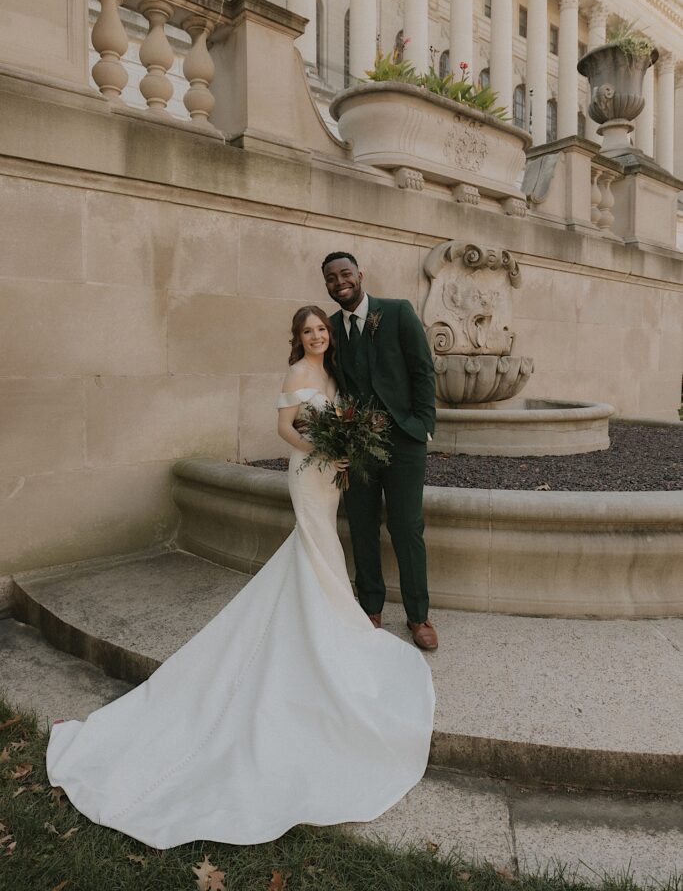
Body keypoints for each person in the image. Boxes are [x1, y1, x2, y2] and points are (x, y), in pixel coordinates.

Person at [46, 305, 435, 850]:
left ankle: (328, 618)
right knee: (317, 546)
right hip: (309, 472)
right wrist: (323, 448)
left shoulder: (333, 372)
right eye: (308, 331)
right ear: (297, 338)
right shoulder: (299, 374)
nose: (318, 336)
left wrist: (343, 454)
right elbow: (282, 427)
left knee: (323, 548)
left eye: (322, 329)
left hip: (331, 476)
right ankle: (328, 626)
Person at [321, 253, 438, 650]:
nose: (340, 282)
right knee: (362, 525)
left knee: (407, 527)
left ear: (360, 276)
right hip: (356, 445)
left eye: (346, 274)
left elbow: (423, 370)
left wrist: (423, 426)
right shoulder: (331, 329)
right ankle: (369, 608)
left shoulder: (397, 312)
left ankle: (418, 616)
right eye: (331, 278)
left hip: (404, 440)